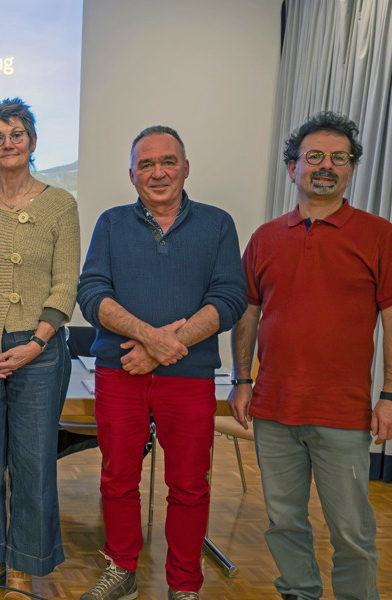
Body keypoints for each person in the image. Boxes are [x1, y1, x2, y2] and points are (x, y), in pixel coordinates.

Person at [229, 111, 392, 600]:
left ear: (352, 169)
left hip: (343, 411)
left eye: (339, 158)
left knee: (352, 531)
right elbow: (248, 314)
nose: (326, 166)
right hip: (274, 409)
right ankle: (299, 592)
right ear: (292, 167)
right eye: (314, 156)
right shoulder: (265, 238)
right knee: (284, 522)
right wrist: (241, 380)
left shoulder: (379, 235)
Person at [76, 125, 246, 600]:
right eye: (146, 164)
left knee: (190, 485)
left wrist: (167, 346)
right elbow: (91, 294)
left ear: (185, 168)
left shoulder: (218, 224)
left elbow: (230, 298)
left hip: (188, 378)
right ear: (132, 175)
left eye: (167, 161)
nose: (158, 172)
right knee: (117, 478)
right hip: (120, 372)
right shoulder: (111, 223)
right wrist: (150, 339)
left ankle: (184, 585)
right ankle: (123, 570)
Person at [0, 98, 80, 600]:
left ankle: (25, 564)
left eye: (17, 134)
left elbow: (66, 282)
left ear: (32, 141)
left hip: (40, 353)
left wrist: (37, 342)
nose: (8, 143)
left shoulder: (60, 205)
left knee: (32, 462)